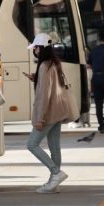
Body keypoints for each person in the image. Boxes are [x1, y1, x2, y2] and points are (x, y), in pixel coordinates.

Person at [24, 33, 72, 193]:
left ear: (41, 48)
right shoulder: (54, 63)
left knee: (32, 144)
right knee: (54, 146)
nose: (34, 51)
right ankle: (54, 182)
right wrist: (37, 78)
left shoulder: (44, 66)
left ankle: (56, 172)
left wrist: (40, 118)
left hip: (49, 113)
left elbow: (44, 95)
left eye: (35, 48)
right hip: (58, 111)